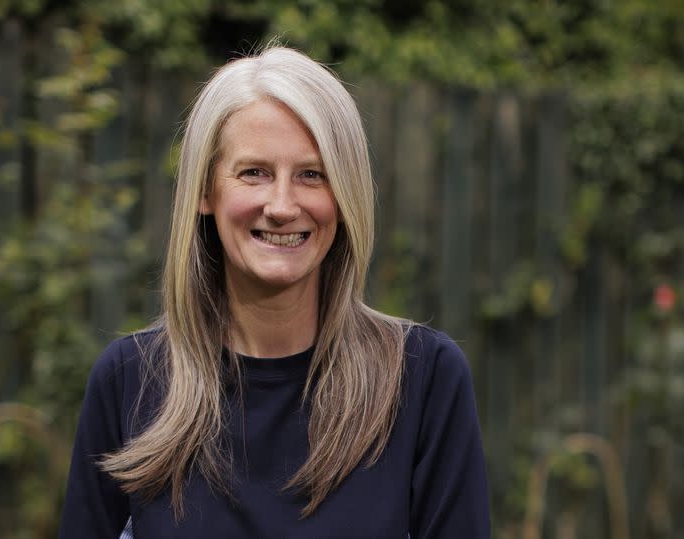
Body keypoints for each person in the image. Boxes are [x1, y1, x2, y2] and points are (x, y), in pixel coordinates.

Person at [59, 45, 490, 538]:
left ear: (345, 196)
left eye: (312, 175)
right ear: (205, 191)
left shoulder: (422, 380)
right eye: (254, 173)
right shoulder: (129, 382)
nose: (282, 206)